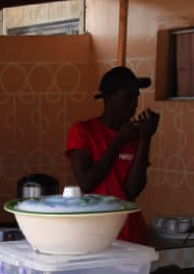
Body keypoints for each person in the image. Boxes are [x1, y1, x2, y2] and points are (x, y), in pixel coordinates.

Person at [65, 66, 160, 245]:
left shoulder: (135, 136)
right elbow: (86, 181)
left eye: (136, 99)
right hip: (95, 234)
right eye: (127, 99)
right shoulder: (83, 131)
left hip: (131, 232)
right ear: (109, 97)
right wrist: (118, 142)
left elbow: (133, 190)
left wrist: (146, 138)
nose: (134, 105)